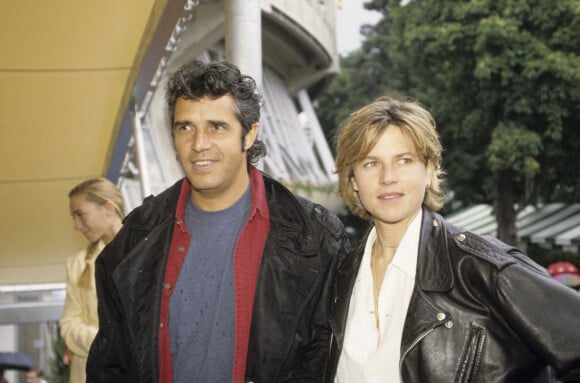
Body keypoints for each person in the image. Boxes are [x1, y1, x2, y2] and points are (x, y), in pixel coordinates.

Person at [86, 59, 350, 383]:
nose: (199, 144)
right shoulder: (132, 242)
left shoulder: (317, 240)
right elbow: (110, 367)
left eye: (217, 126)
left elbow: (325, 363)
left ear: (249, 134)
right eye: (185, 127)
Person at [326, 96, 580, 382]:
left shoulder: (484, 270)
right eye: (371, 163)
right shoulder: (338, 275)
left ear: (430, 170)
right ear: (353, 180)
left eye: (404, 160)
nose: (388, 177)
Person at [59, 178, 124, 383]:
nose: (77, 226)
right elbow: (68, 325)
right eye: (73, 218)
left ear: (108, 208)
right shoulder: (77, 264)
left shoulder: (148, 253)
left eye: (80, 215)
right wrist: (112, 341)